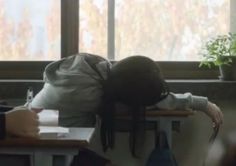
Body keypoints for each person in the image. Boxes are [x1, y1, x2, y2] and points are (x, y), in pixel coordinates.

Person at [31, 53, 223, 165]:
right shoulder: (89, 94)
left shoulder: (97, 68)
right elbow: (158, 102)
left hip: (49, 138)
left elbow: (153, 99)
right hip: (45, 150)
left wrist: (200, 103)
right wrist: (201, 103)